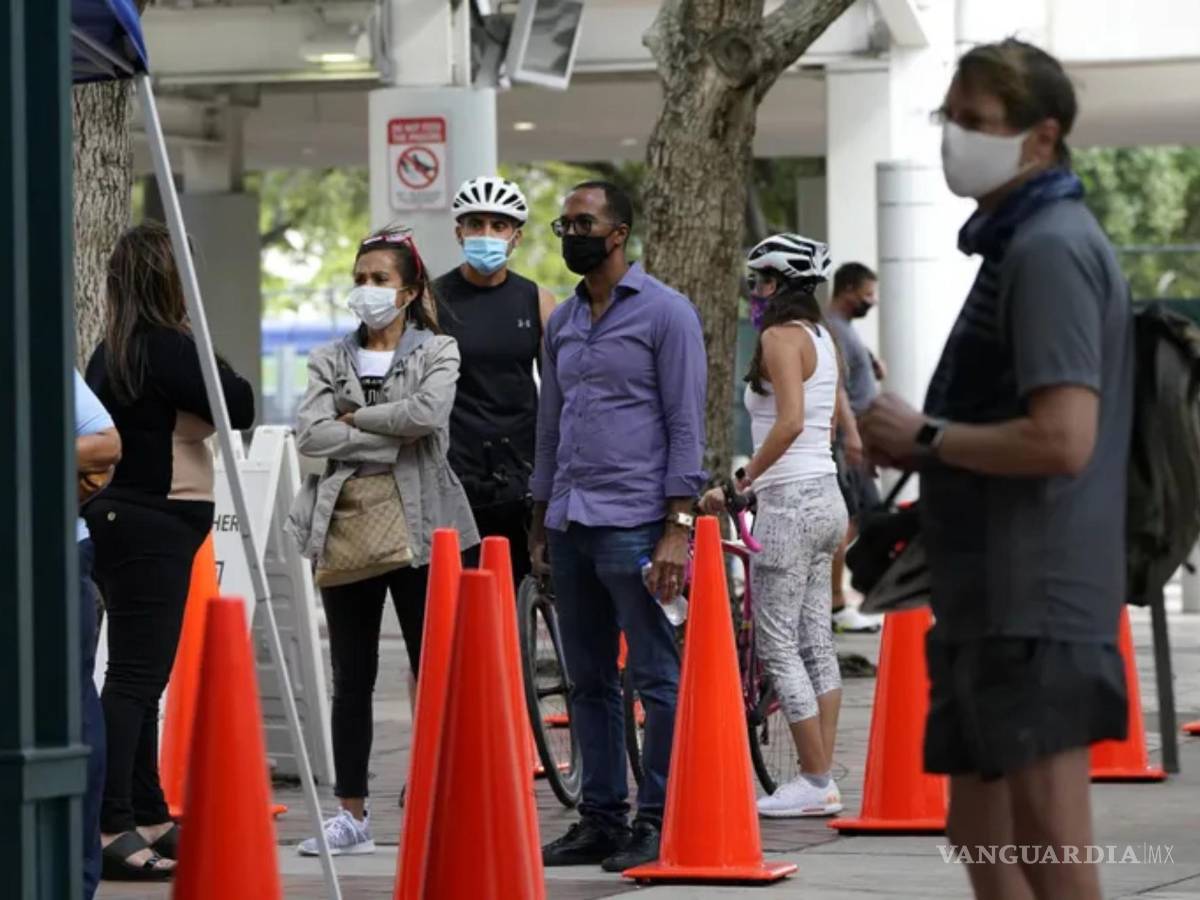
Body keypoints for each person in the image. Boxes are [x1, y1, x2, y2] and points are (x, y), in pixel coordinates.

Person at [860, 39, 1132, 900]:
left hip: (1036, 598)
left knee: (1047, 836)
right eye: (950, 117)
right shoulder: (1017, 246)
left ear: (1041, 140)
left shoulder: (1049, 250)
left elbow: (1064, 440)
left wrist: (926, 436)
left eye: (974, 123)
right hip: (993, 594)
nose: (953, 139)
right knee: (980, 828)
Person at [530, 181, 707, 872]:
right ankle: (600, 817)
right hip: (571, 521)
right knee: (589, 681)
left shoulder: (667, 314)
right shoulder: (563, 321)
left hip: (638, 524)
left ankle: (657, 817)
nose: (572, 232)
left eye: (584, 222)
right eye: (564, 223)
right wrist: (543, 515)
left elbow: (686, 424)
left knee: (656, 678)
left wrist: (679, 525)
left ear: (619, 232)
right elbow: (551, 423)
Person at [289, 226, 479, 857]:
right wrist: (386, 435)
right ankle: (351, 815)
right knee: (352, 676)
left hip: (422, 528)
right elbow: (310, 434)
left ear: (410, 290)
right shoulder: (328, 357)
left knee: (436, 670)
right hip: (345, 526)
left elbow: (428, 416)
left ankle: (442, 801)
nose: (367, 290)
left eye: (380, 280)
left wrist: (355, 419)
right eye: (361, 278)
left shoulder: (439, 349)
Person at [85, 222, 255, 880]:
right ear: (168, 280)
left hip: (126, 521)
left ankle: (147, 813)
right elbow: (235, 401)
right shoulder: (168, 347)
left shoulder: (114, 350)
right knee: (135, 679)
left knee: (137, 677)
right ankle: (112, 824)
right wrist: (200, 341)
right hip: (154, 521)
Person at [701, 234, 848, 817]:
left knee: (779, 641)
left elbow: (786, 423)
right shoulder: (822, 338)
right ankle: (820, 779)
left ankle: (814, 781)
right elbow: (826, 422)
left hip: (789, 501)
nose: (754, 292)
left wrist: (742, 482)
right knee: (816, 640)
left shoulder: (778, 338)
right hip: (826, 497)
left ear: (781, 284)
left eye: (760, 281)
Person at [435, 176, 556, 581]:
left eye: (498, 225)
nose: (486, 234)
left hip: (523, 474)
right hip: (454, 472)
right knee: (460, 599)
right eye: (475, 224)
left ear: (515, 237)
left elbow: (561, 393)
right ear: (459, 232)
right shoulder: (431, 301)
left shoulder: (537, 299)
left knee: (519, 591)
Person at [75, 371, 121, 899]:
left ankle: (76, 878)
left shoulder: (35, 361)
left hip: (53, 547)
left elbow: (106, 442)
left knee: (74, 706)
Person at [825, 262, 885, 634]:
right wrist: (855, 439)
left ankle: (839, 597)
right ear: (847, 289)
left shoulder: (846, 331)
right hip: (849, 442)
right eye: (867, 294)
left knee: (867, 516)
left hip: (858, 440)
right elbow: (838, 391)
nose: (872, 302)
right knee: (847, 519)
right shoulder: (833, 329)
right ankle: (834, 600)